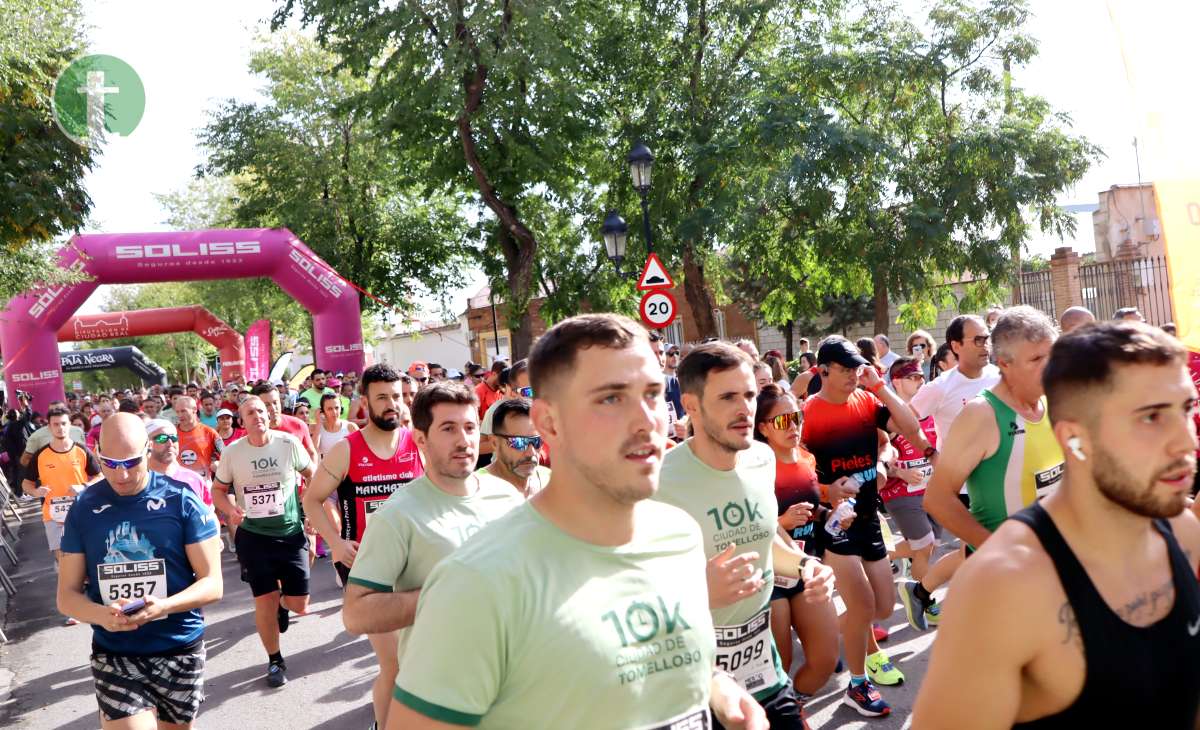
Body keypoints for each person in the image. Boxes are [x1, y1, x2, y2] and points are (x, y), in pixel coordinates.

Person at [386, 314, 766, 730]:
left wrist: (714, 688)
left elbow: (658, 667)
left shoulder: (680, 534)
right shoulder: (478, 583)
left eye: (654, 394)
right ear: (547, 421)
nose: (647, 421)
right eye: (611, 398)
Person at [914, 321, 1200, 728]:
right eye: (1151, 417)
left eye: (1186, 409)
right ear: (1076, 439)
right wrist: (992, 545)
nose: (1187, 442)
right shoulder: (1003, 590)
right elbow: (938, 496)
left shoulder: (1182, 534)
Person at [658, 340, 835, 729]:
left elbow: (762, 538)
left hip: (762, 666)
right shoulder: (659, 481)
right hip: (695, 679)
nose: (745, 409)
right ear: (690, 405)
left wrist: (806, 566)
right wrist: (698, 592)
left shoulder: (761, 458)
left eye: (750, 395)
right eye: (727, 397)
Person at [340, 381, 519, 730]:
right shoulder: (398, 516)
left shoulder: (507, 497)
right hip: (441, 699)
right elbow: (355, 614)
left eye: (469, 427)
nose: (463, 440)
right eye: (448, 429)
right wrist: (445, 594)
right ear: (421, 439)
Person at [57, 413, 223, 730]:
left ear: (148, 450)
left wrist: (163, 606)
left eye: (132, 462)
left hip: (178, 646)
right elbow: (66, 596)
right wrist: (101, 614)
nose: (121, 475)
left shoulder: (181, 500)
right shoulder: (84, 507)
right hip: (115, 652)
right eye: (110, 463)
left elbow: (213, 584)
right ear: (97, 454)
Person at [801, 336, 933, 716]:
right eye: (845, 369)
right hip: (835, 524)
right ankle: (857, 685)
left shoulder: (866, 399)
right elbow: (795, 471)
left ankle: (827, 637)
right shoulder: (809, 412)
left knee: (882, 606)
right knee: (861, 605)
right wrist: (827, 490)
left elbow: (908, 428)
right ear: (823, 371)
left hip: (869, 515)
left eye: (856, 367)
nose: (852, 375)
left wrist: (879, 386)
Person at [302, 363, 424, 728]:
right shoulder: (346, 450)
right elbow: (311, 499)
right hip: (369, 569)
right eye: (383, 397)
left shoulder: (418, 442)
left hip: (415, 564)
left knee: (417, 662)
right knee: (394, 665)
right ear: (364, 402)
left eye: (398, 397)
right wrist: (336, 544)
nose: (393, 405)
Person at [924, 306, 1064, 552]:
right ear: (1004, 364)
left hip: (1055, 558)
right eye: (1036, 359)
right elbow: (938, 500)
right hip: (1008, 575)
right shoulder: (981, 414)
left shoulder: (1051, 399)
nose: (1049, 366)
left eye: (1052, 354)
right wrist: (997, 552)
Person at [212, 395, 316, 688]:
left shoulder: (287, 444)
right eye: (250, 413)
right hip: (254, 537)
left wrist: (308, 508)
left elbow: (311, 474)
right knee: (263, 600)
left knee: (300, 604)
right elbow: (218, 490)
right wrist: (232, 510)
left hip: (290, 533)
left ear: (269, 415)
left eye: (261, 410)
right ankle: (274, 659)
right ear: (241, 421)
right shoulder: (233, 452)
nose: (257, 415)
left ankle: (284, 603)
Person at [752, 385, 839, 704]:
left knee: (826, 659)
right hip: (771, 573)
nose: (792, 426)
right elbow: (753, 522)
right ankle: (779, 715)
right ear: (762, 427)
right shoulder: (754, 465)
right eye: (781, 421)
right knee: (779, 666)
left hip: (807, 568)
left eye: (797, 417)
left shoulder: (806, 458)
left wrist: (833, 513)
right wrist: (781, 524)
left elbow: (810, 508)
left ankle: (795, 704)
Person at [884, 358, 961, 631]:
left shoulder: (931, 411)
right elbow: (875, 459)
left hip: (931, 490)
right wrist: (900, 473)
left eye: (920, 377)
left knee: (927, 548)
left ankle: (878, 556)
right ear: (895, 382)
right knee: (924, 544)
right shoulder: (889, 418)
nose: (919, 381)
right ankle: (925, 600)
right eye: (912, 378)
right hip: (901, 491)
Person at [22, 406, 102, 576]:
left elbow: (100, 476)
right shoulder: (40, 455)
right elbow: (26, 484)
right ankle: (70, 593)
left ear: (70, 426)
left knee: (87, 559)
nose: (60, 428)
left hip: (81, 511)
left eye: (64, 423)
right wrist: (36, 492)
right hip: (53, 516)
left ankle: (86, 593)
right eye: (56, 424)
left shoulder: (81, 450)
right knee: (64, 560)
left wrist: (85, 486)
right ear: (49, 427)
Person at [482, 397, 550, 497]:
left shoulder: (550, 481)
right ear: (495, 443)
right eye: (519, 442)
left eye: (537, 441)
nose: (531, 452)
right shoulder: (474, 490)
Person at [145, 419, 211, 507]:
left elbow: (209, 517)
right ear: (147, 444)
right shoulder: (137, 482)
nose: (170, 443)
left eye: (173, 438)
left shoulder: (194, 479)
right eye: (162, 438)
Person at [175, 396, 223, 485]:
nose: (180, 415)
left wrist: (217, 463)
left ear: (194, 409)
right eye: (177, 412)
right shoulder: (172, 434)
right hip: (179, 485)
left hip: (203, 484)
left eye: (183, 411)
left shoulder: (209, 432)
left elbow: (226, 457)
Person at [313, 392, 359, 457]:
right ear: (322, 411)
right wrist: (318, 424)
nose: (334, 412)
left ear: (341, 408)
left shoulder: (351, 427)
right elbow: (313, 451)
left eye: (337, 408)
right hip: (325, 466)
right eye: (329, 409)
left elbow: (361, 451)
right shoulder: (317, 428)